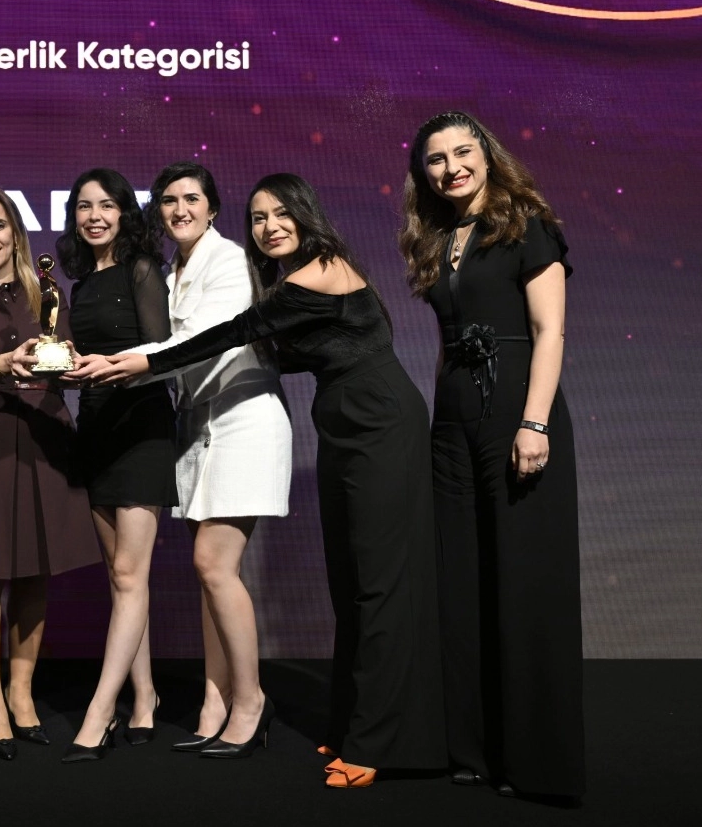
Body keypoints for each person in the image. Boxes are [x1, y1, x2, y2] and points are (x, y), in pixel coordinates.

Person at [98, 173, 445, 788]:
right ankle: (356, 726)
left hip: (381, 421)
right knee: (352, 582)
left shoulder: (322, 270)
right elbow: (269, 351)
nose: (270, 227)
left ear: (306, 215)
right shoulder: (292, 280)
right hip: (344, 423)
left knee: (380, 582)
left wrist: (148, 361)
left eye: (282, 213)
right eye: (259, 217)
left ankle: (380, 743)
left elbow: (239, 333)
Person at [75, 162, 291, 759]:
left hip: (242, 421)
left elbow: (197, 342)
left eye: (191, 199)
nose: (179, 210)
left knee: (213, 566)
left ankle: (251, 702)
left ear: (212, 207)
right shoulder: (173, 269)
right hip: (198, 425)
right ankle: (215, 703)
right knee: (210, 575)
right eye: (169, 201)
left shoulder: (229, 262)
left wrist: (124, 363)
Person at [401, 112, 584, 800]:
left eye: (462, 152)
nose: (451, 167)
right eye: (436, 159)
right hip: (454, 425)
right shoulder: (437, 238)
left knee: (522, 584)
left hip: (516, 414)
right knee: (462, 585)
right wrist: (439, 425)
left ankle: (534, 762)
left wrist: (533, 422)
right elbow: (446, 343)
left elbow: (549, 330)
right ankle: (473, 749)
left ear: (487, 155)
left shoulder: (525, 224)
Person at [0, 189, 100, 760]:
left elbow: (65, 355)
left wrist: (71, 368)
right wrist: (6, 362)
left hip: (46, 437)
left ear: (15, 233)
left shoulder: (48, 294)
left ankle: (21, 692)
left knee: (35, 573)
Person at [54, 169, 176, 762]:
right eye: (84, 206)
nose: (94, 216)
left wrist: (110, 367)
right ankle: (144, 697)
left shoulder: (142, 270)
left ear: (126, 212)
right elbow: (88, 359)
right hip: (96, 428)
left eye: (106, 205)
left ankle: (99, 714)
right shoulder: (80, 284)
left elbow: (161, 352)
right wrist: (68, 369)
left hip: (142, 427)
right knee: (121, 577)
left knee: (129, 575)